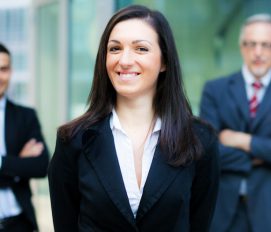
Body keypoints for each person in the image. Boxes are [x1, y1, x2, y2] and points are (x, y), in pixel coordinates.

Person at [48, 5, 219, 232]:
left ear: (164, 61)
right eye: (115, 48)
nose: (125, 60)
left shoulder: (199, 139)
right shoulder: (73, 139)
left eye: (140, 49)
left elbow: (199, 223)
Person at [200, 13, 271, 232]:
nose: (258, 52)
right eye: (251, 44)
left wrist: (243, 141)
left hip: (270, 211)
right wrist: (262, 154)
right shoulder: (215, 90)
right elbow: (208, 151)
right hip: (223, 213)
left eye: (267, 45)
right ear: (241, 47)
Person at [0, 43, 49, 232]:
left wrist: (3, 164)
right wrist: (19, 164)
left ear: (11, 72)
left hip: (20, 224)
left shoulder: (25, 116)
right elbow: (28, 166)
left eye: (3, 69)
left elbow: (42, 165)